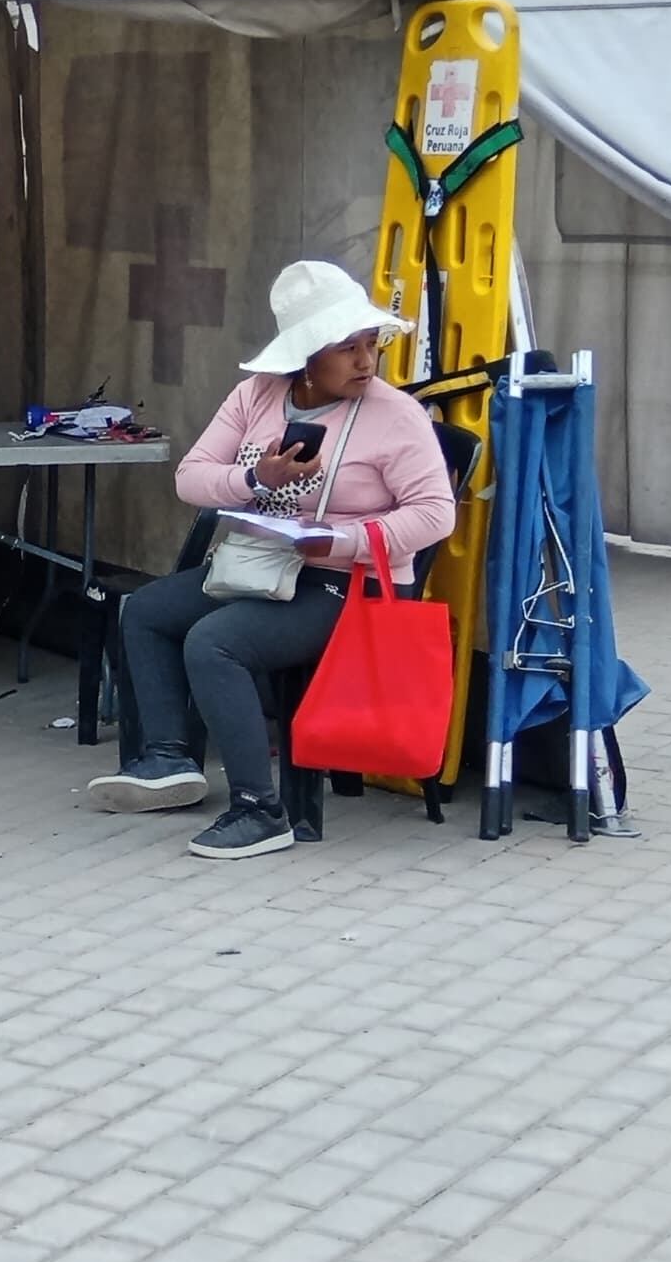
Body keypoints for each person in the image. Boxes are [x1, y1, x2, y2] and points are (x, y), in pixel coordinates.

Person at [87, 260, 459, 859]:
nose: (367, 361)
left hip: (344, 582)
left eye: (372, 344)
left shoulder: (397, 416)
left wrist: (339, 542)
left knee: (215, 642)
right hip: (262, 563)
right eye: (348, 348)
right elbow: (191, 479)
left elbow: (436, 514)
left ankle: (261, 811)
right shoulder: (256, 394)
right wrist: (257, 476)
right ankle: (169, 759)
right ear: (306, 354)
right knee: (148, 610)